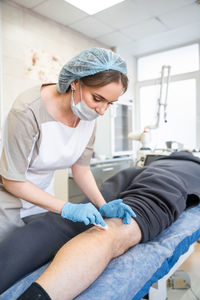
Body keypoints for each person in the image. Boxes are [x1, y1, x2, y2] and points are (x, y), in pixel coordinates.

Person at [0, 47, 137, 292]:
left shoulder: (88, 115)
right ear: (75, 82)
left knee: (38, 258)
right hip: (8, 200)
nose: (102, 110)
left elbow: (81, 169)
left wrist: (102, 204)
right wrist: (66, 207)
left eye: (110, 103)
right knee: (7, 264)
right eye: (98, 99)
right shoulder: (28, 111)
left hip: (42, 195)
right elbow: (11, 180)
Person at [4, 151, 200, 298]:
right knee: (113, 231)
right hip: (169, 181)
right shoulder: (193, 168)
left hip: (130, 176)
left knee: (59, 224)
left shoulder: (161, 162)